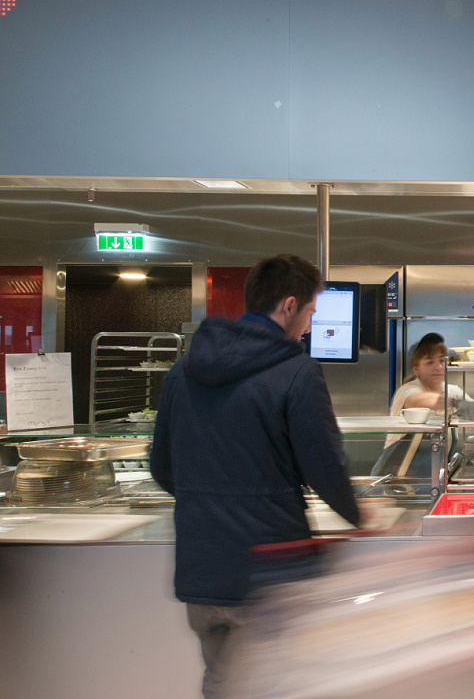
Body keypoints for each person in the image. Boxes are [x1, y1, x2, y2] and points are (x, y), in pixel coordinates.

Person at [150, 254, 362, 698]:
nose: (308, 325)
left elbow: (162, 467)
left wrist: (213, 501)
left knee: (222, 683)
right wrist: (362, 516)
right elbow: (324, 466)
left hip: (203, 569)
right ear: (289, 306)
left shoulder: (182, 370)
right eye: (309, 313)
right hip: (272, 569)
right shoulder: (298, 372)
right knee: (280, 687)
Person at [372, 332, 470, 478]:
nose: (438, 367)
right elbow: (418, 400)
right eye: (430, 362)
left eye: (442, 360)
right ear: (416, 369)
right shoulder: (407, 390)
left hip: (432, 481)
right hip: (394, 480)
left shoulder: (453, 391)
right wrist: (454, 402)